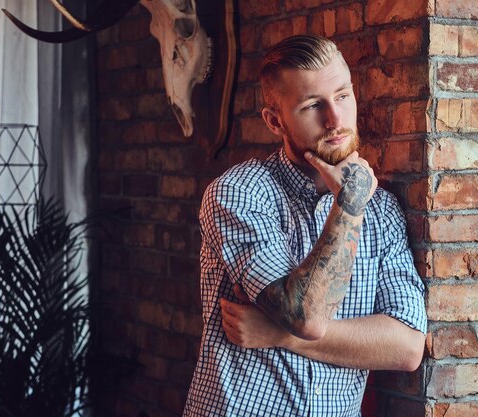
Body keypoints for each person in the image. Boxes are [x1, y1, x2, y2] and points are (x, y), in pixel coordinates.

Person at [183, 34, 427, 417]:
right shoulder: (238, 194)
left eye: (343, 96)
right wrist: (349, 204)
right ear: (274, 121)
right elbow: (307, 317)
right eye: (313, 105)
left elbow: (408, 347)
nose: (335, 119)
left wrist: (282, 336)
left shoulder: (382, 210)